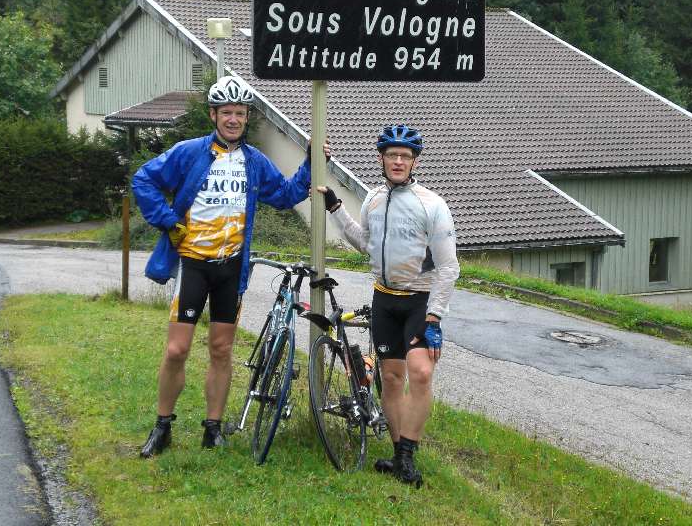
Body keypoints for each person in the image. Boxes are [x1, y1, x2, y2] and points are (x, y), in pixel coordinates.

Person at [133, 75, 328, 457]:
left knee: (221, 349)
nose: (234, 119)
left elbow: (286, 195)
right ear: (214, 114)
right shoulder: (189, 152)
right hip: (193, 264)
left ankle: (213, 427)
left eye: (240, 113)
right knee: (177, 349)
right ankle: (162, 426)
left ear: (245, 117)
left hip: (231, 268)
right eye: (227, 113)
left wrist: (311, 163)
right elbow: (144, 179)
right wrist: (168, 221)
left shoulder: (255, 162)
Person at [317, 125, 459, 486]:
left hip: (419, 301)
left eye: (405, 156)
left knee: (421, 373)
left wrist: (435, 317)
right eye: (392, 155)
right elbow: (365, 242)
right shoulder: (373, 200)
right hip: (383, 300)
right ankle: (398, 457)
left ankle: (408, 454)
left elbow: (449, 267)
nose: (398, 161)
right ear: (381, 159)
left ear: (414, 162)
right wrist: (335, 207)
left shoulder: (432, 204)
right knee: (392, 379)